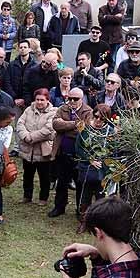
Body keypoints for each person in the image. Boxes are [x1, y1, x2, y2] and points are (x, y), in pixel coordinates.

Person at [49, 88, 92, 218]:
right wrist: (75, 124)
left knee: (80, 183)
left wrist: (65, 126)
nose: (72, 101)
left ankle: (80, 210)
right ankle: (59, 207)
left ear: (82, 98)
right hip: (62, 152)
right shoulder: (63, 108)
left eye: (75, 99)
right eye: (70, 98)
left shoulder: (88, 111)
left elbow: (85, 128)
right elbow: (55, 124)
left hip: (80, 154)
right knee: (61, 182)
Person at [17, 88, 56, 205]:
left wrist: (31, 137)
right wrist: (25, 136)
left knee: (44, 176)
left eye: (42, 100)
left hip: (43, 151)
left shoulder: (53, 112)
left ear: (47, 100)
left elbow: (48, 130)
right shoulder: (28, 110)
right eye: (37, 99)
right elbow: (20, 124)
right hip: (28, 150)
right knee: (27, 174)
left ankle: (43, 198)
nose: (39, 102)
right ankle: (27, 196)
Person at [75, 105, 116, 215]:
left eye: (102, 118)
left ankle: (98, 220)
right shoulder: (85, 129)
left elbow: (113, 151)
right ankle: (83, 218)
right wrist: (90, 160)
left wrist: (108, 165)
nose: (98, 120)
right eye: (96, 116)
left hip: (103, 169)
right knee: (85, 194)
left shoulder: (110, 131)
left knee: (101, 196)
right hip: (87, 167)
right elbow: (78, 148)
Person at [9, 40, 38, 109]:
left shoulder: (35, 66)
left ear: (29, 49)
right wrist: (14, 98)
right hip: (14, 101)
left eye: (25, 47)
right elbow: (7, 82)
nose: (23, 49)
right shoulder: (12, 65)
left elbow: (36, 84)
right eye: (21, 47)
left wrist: (26, 99)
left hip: (29, 102)